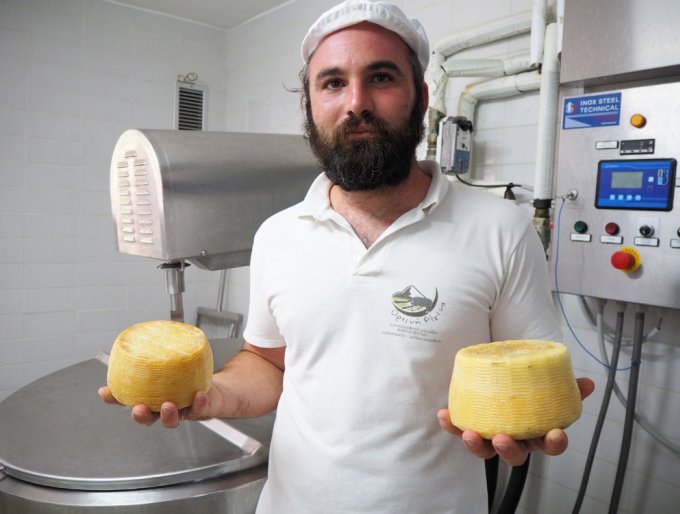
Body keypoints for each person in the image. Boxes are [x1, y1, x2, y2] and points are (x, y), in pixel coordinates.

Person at [100, 1, 594, 512]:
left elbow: (527, 377)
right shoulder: (277, 235)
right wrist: (210, 397)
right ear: (310, 105)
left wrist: (527, 422)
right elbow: (268, 362)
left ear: (422, 98)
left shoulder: (501, 229)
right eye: (333, 83)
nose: (356, 102)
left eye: (381, 77)